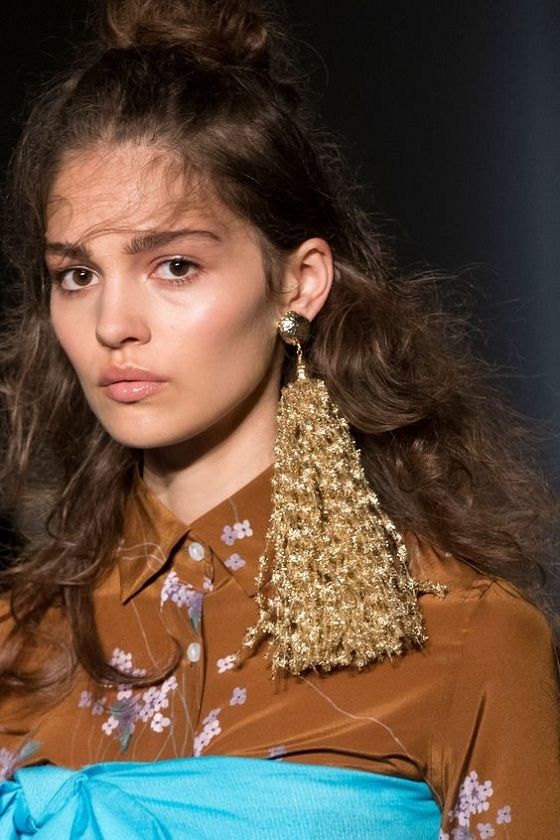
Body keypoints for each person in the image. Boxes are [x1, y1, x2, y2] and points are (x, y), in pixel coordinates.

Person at [0, 0, 558, 837]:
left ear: (299, 283)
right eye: (77, 275)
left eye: (174, 265)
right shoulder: (15, 639)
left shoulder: (463, 633)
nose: (113, 324)